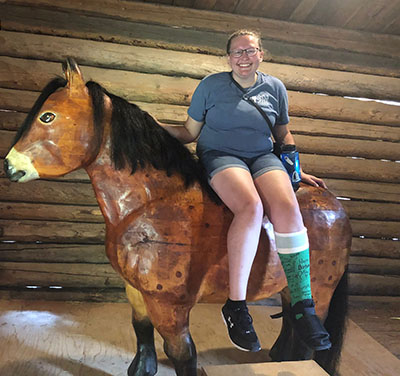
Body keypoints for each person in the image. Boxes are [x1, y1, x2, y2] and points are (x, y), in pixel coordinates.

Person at [161, 29, 331, 352]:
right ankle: (236, 306)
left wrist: (296, 172)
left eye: (250, 51)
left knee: (289, 209)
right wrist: (151, 126)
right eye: (237, 52)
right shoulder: (211, 87)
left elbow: (283, 135)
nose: (244, 57)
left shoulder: (275, 88)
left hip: (262, 157)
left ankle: (303, 305)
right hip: (221, 155)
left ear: (261, 54)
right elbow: (188, 132)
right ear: (228, 58)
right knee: (251, 207)